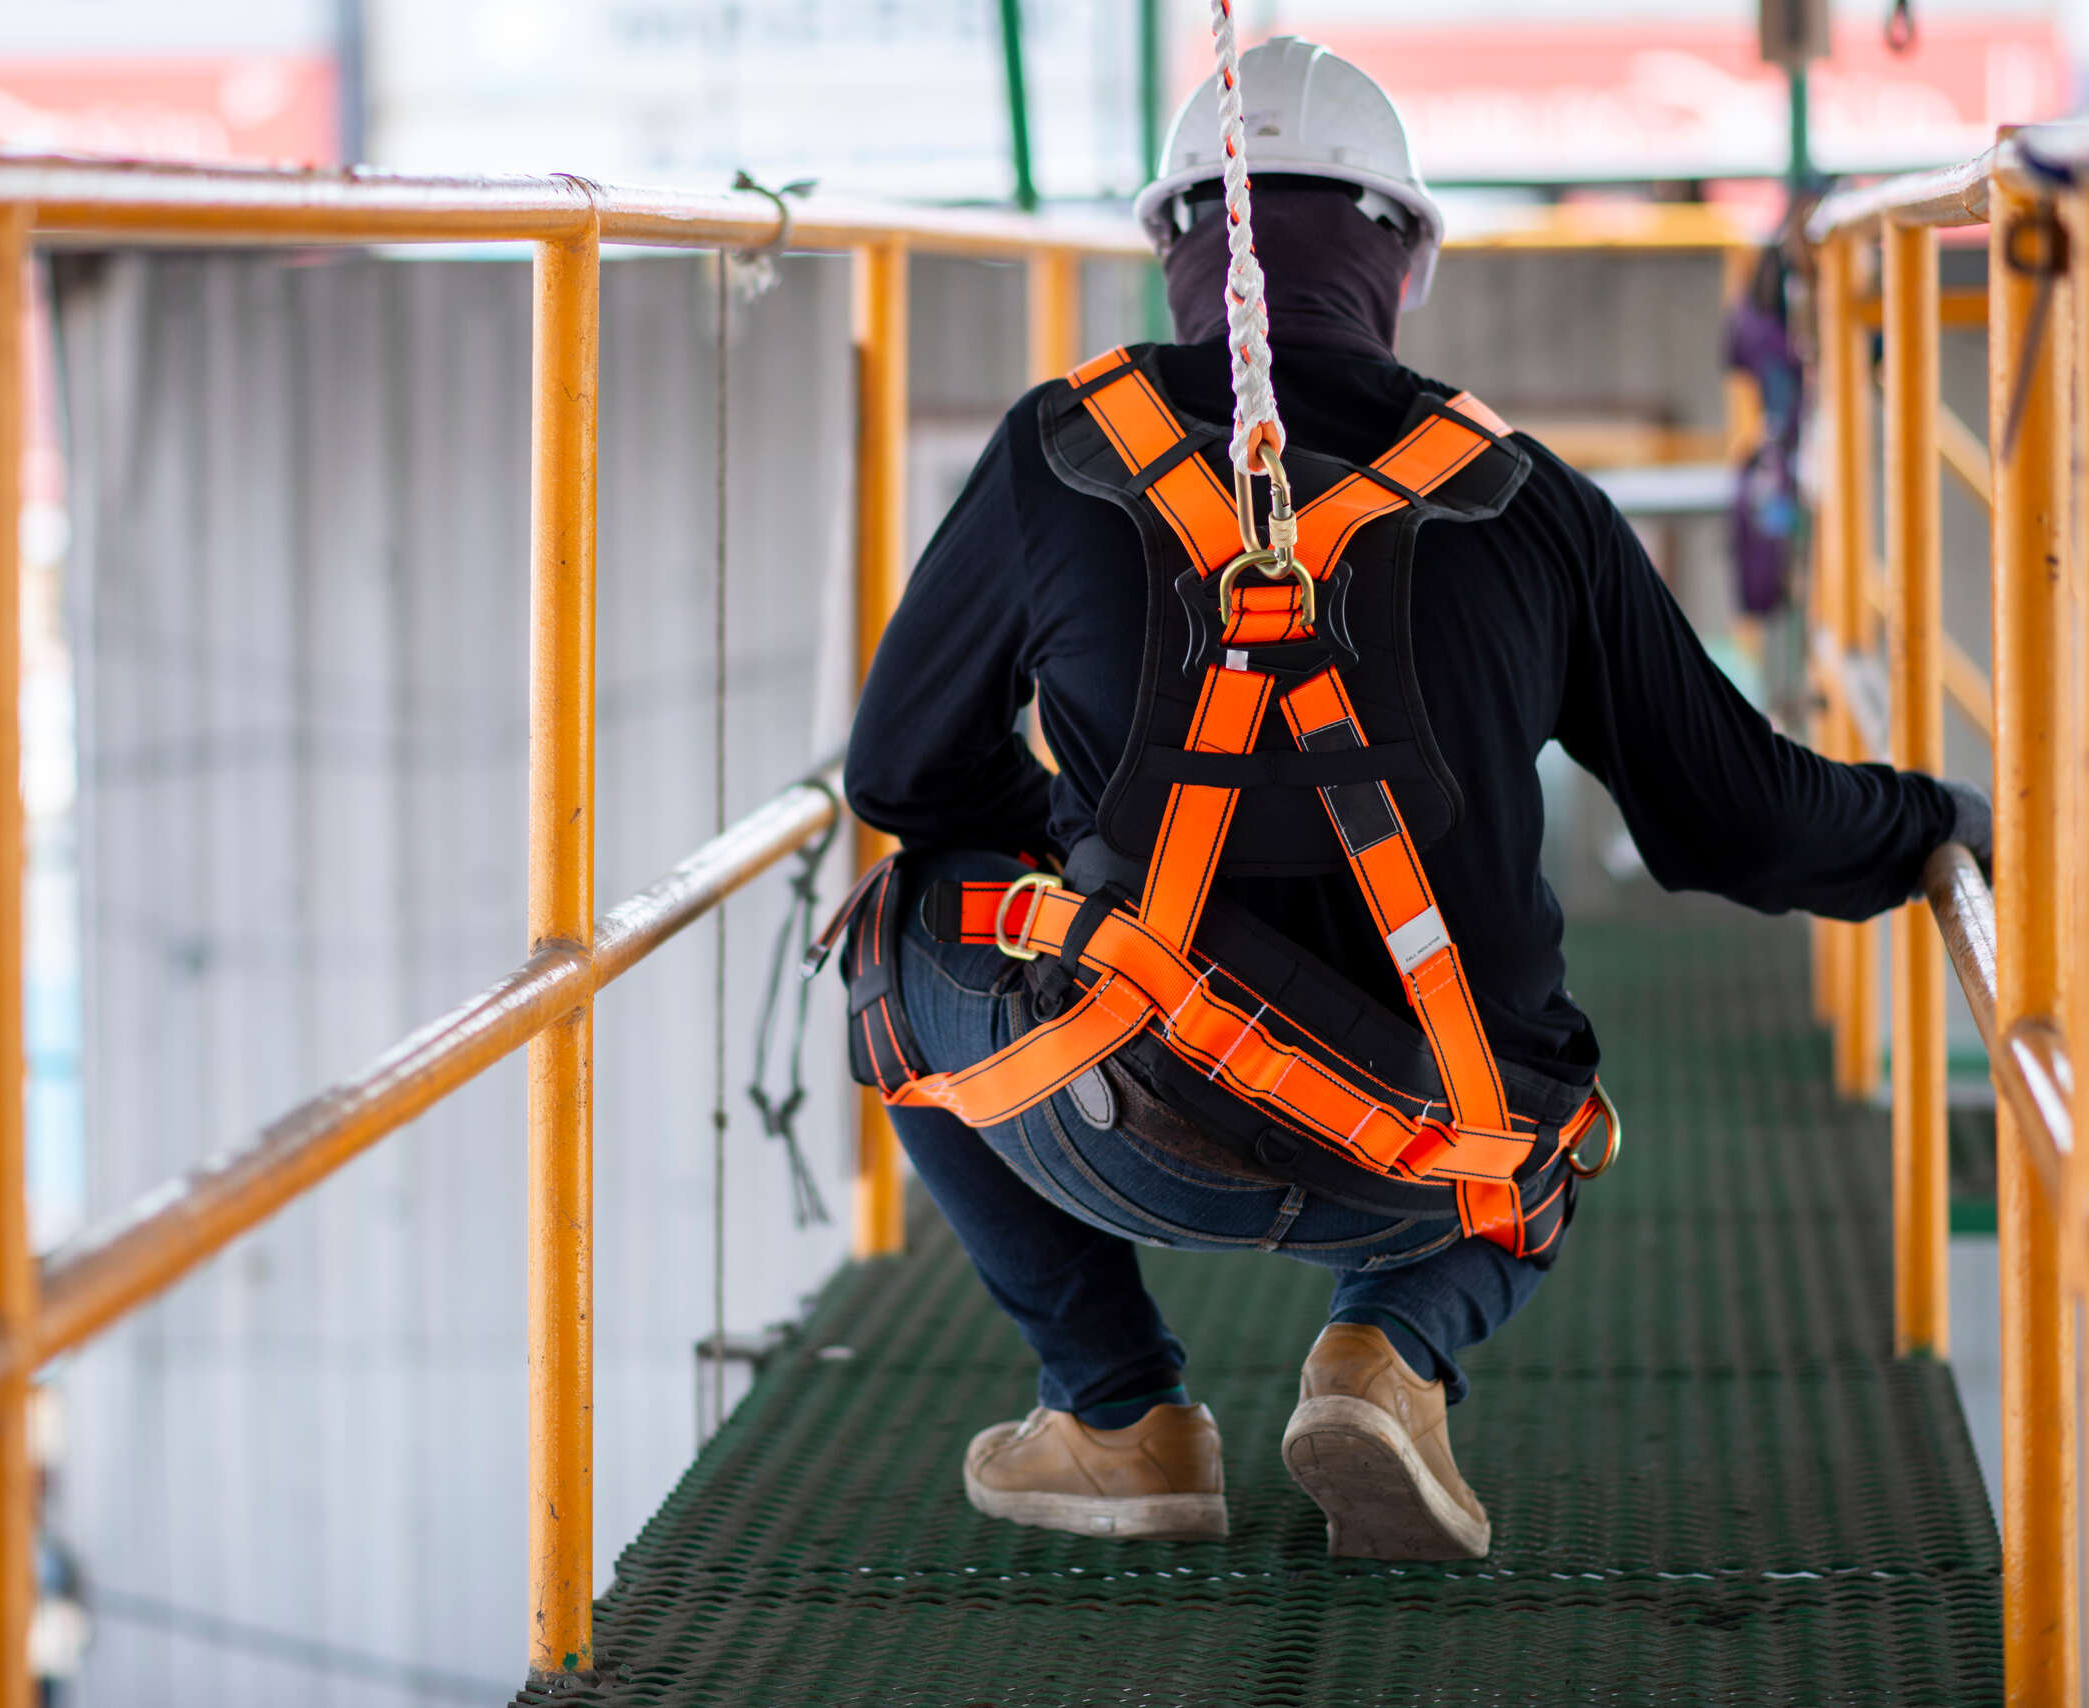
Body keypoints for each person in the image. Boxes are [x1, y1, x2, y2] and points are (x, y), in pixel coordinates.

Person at [836, 37, 1988, 1562]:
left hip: (1129, 1111)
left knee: (899, 928)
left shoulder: (1057, 450)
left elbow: (902, 777)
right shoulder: (1530, 497)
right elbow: (1737, 822)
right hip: (1450, 1158)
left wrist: (1075, 867)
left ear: (1176, 246)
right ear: (1412, 261)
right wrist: (1936, 820)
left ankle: (1119, 1418)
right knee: (1556, 1101)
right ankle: (1392, 1352)